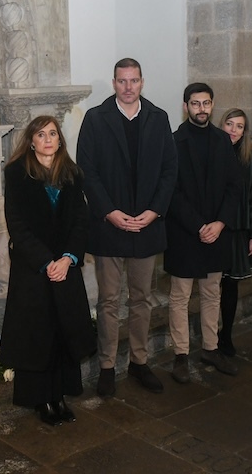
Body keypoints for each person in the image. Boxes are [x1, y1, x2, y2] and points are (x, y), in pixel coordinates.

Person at [77, 58, 177, 397]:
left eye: (134, 80)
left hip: (147, 226)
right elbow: (87, 172)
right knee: (107, 301)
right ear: (115, 82)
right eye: (122, 81)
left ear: (142, 82)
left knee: (142, 299)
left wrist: (154, 212)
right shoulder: (96, 119)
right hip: (110, 227)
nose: (128, 87)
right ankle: (107, 366)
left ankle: (138, 361)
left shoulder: (158, 118)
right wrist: (109, 212)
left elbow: (169, 171)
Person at [0, 116, 96, 426]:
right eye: (41, 134)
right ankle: (41, 399)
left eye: (53, 133)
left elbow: (81, 220)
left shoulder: (72, 173)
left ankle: (61, 395)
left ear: (59, 139)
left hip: (65, 267)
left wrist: (68, 259)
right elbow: (17, 225)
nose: (48, 139)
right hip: (34, 269)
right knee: (37, 334)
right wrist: (46, 261)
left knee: (62, 329)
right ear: (31, 141)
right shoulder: (16, 174)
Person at [164, 84, 242, 382]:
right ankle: (181, 355)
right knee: (180, 296)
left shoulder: (223, 141)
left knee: (211, 294)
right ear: (185, 106)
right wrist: (198, 225)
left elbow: (234, 187)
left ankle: (210, 348)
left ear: (212, 105)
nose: (201, 109)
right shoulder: (173, 141)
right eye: (195, 104)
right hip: (185, 233)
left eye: (206, 103)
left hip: (216, 231)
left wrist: (220, 223)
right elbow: (171, 192)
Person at [217, 108, 252, 357]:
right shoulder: (212, 153)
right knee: (209, 287)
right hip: (214, 230)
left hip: (238, 231)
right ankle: (208, 335)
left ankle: (225, 335)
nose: (234, 130)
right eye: (229, 124)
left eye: (239, 126)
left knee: (230, 287)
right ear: (221, 125)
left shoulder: (249, 158)